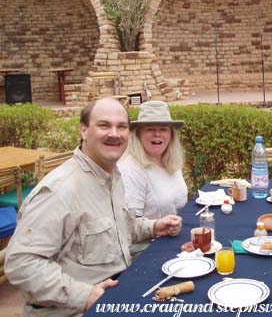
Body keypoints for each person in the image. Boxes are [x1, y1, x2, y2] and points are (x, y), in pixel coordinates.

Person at [5, 97, 183, 317]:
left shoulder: (112, 176)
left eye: (121, 127)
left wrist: (154, 226)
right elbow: (21, 263)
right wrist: (85, 295)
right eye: (104, 125)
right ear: (83, 131)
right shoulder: (61, 189)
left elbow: (118, 230)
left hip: (117, 293)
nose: (114, 134)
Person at [119, 100, 187, 219]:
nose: (157, 134)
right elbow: (131, 224)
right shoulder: (130, 169)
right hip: (151, 237)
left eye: (163, 129)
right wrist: (157, 227)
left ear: (171, 134)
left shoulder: (172, 161)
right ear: (138, 134)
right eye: (150, 129)